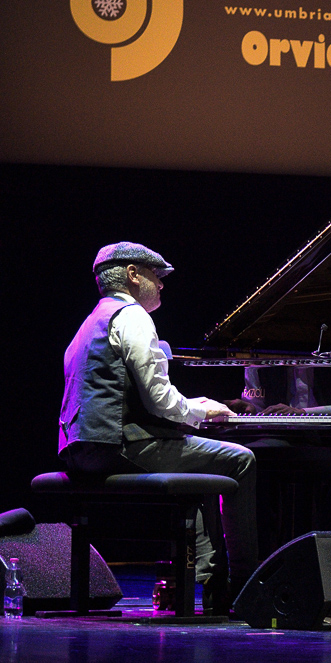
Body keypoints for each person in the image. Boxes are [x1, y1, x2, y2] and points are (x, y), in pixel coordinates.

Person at [58, 242, 258, 612]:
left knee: (202, 464)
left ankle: (213, 581)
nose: (162, 284)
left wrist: (192, 407)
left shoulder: (90, 323)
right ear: (133, 275)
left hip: (78, 450)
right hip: (117, 446)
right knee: (240, 460)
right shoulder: (132, 316)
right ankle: (247, 585)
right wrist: (201, 411)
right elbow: (160, 400)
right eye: (156, 275)